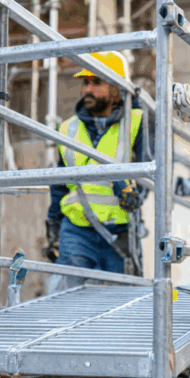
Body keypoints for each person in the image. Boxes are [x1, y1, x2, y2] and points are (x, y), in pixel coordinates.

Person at [44, 51, 148, 285]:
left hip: (119, 230)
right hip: (76, 229)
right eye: (85, 83)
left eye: (97, 83)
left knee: (122, 303)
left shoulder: (137, 122)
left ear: (115, 90)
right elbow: (59, 184)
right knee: (65, 297)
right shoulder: (68, 128)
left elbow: (149, 170)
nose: (87, 90)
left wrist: (136, 193)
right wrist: (53, 226)